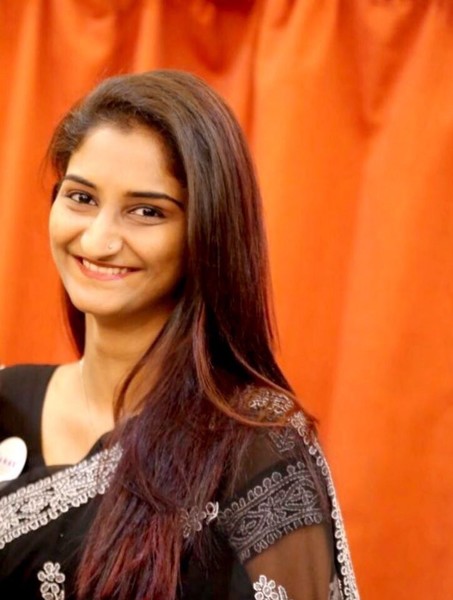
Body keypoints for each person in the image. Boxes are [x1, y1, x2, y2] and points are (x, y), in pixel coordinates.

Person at [0, 70, 359, 600]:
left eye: (147, 211)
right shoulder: (5, 400)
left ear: (206, 233)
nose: (98, 239)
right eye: (81, 198)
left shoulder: (253, 445)